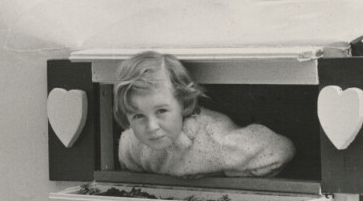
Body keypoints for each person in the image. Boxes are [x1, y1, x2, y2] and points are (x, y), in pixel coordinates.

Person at [114, 51, 295, 178]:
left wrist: (222, 173)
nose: (151, 127)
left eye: (161, 111)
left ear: (184, 103)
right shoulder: (132, 144)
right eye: (138, 116)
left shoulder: (214, 139)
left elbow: (281, 151)